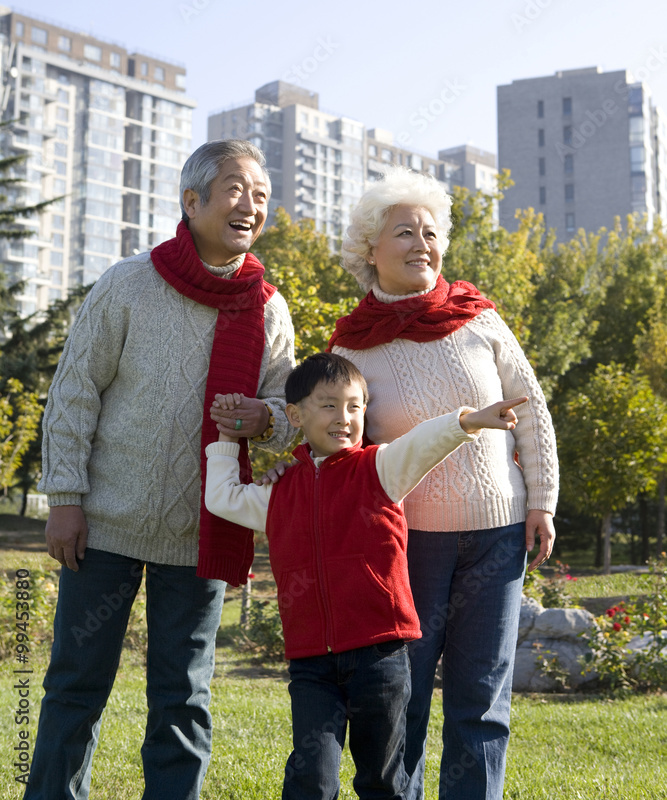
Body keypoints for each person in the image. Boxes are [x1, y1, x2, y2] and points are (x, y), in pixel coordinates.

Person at [26, 140, 296, 800]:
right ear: (192, 200)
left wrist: (263, 421)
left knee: (183, 697)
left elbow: (291, 414)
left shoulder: (267, 308)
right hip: (105, 527)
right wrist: (65, 497)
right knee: (75, 687)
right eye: (236, 190)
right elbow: (74, 392)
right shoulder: (127, 283)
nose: (251, 206)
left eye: (261, 196)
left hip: (202, 531)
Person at [328, 167, 559, 800]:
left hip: (497, 536)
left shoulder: (478, 319)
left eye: (431, 232)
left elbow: (530, 409)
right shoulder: (353, 347)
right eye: (404, 232)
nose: (422, 243)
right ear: (369, 249)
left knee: (481, 699)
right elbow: (338, 443)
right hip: (407, 545)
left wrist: (542, 501)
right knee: (402, 698)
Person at [205, 351, 528, 800]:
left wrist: (469, 421)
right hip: (312, 663)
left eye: (356, 406)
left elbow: (422, 442)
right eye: (329, 405)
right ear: (295, 415)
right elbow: (222, 497)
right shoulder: (280, 493)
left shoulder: (379, 469)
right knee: (310, 780)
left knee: (382, 780)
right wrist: (225, 437)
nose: (345, 417)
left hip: (381, 658)